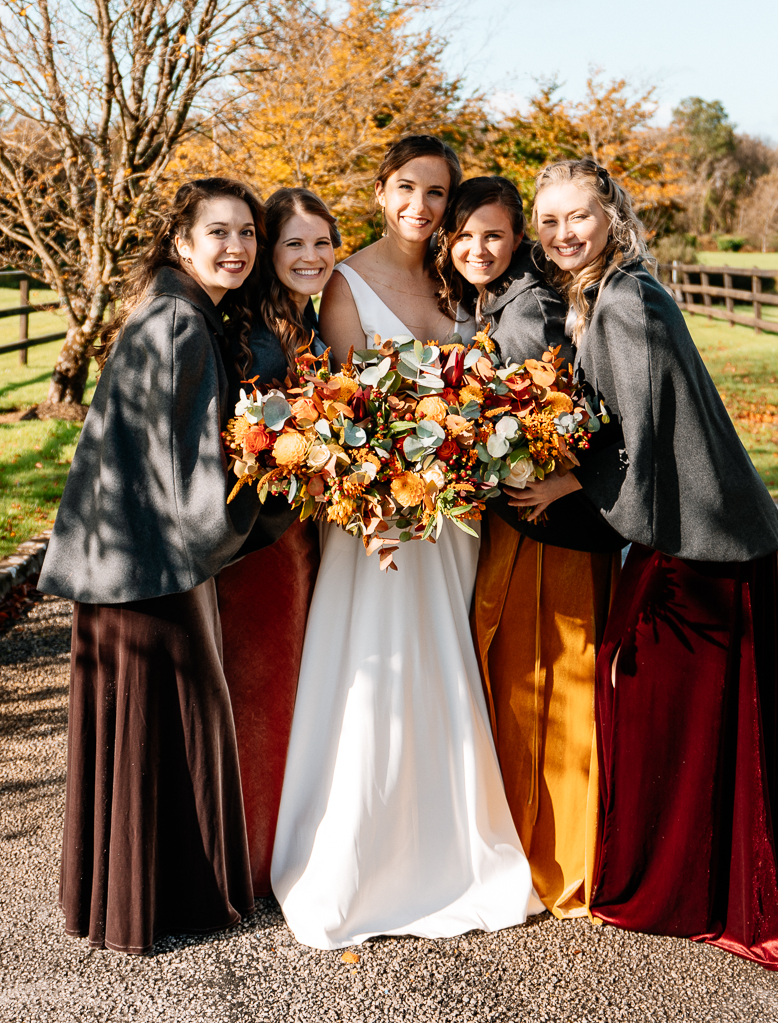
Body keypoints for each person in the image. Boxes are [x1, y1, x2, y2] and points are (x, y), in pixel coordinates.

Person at [271, 136, 538, 949]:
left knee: (453, 659)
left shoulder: (462, 277)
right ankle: (366, 859)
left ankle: (460, 842)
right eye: (407, 189)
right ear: (382, 192)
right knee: (381, 671)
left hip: (454, 519)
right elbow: (349, 416)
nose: (421, 207)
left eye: (436, 193)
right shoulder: (346, 284)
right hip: (382, 525)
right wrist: (386, 501)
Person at [529, 158, 778, 971]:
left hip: (698, 547)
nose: (565, 232)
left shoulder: (626, 304)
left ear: (611, 214)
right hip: (696, 537)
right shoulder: (607, 295)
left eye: (579, 215)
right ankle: (695, 886)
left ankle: (679, 894)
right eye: (550, 221)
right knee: (669, 716)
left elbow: (636, 437)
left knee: (649, 706)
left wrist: (559, 484)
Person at [42, 177, 266, 955]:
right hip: (149, 563)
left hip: (125, 555)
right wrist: (278, 506)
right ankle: (165, 901)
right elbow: (196, 481)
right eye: (219, 232)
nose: (235, 247)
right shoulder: (181, 322)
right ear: (182, 242)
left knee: (140, 725)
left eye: (246, 233)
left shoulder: (174, 308)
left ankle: (122, 900)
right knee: (179, 717)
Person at [441, 174, 625, 921]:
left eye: (493, 234)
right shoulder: (496, 301)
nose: (476, 248)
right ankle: (534, 846)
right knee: (521, 688)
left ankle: (567, 861)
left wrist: (566, 482)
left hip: (555, 535)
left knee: (558, 689)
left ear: (517, 239)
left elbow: (598, 412)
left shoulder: (533, 310)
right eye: (463, 235)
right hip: (519, 526)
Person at [213, 186, 337, 898]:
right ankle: (253, 860)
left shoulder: (300, 319)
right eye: (294, 243)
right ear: (267, 250)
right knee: (261, 690)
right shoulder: (255, 333)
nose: (311, 256)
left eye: (322, 243)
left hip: (301, 532)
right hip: (266, 540)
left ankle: (274, 841)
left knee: (288, 687)